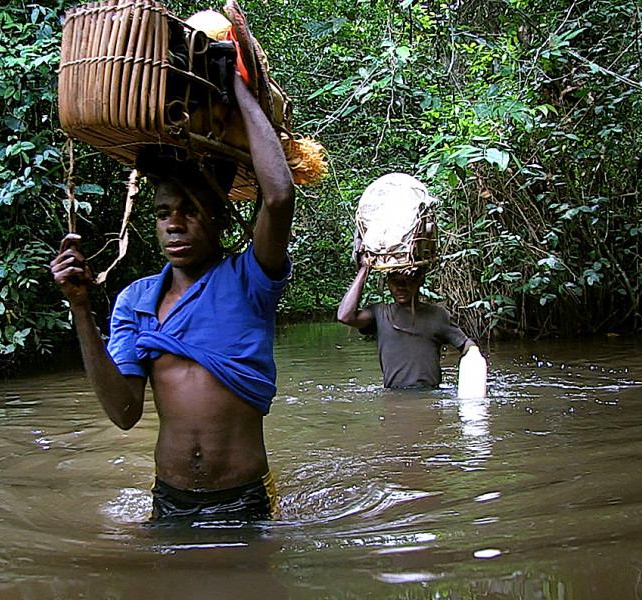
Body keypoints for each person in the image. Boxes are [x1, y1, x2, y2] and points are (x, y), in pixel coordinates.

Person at [50, 75, 294, 522]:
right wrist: (80, 308)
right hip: (169, 500)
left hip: (244, 499)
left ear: (219, 217)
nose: (174, 224)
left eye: (190, 211)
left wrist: (238, 87)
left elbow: (277, 198)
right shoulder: (135, 300)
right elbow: (124, 413)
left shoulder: (248, 280)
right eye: (163, 213)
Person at [337, 264, 477, 389]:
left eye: (408, 281)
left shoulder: (437, 315)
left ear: (420, 281)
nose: (401, 287)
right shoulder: (379, 314)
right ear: (388, 284)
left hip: (430, 397)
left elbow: (464, 343)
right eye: (395, 282)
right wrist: (364, 269)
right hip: (394, 398)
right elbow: (345, 316)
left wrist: (473, 351)